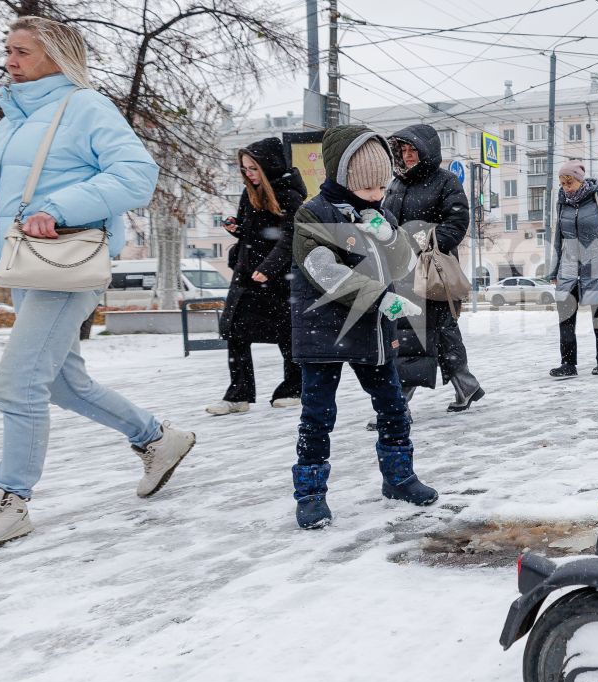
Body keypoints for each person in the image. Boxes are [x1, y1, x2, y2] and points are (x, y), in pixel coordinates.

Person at [0, 16, 194, 556]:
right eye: (7, 49)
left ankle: (8, 500)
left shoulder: (85, 107)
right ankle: (156, 437)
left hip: (65, 262)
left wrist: (58, 207)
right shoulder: (12, 120)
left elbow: (135, 175)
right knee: (60, 382)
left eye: (22, 51)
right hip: (26, 264)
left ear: (56, 56)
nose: (9, 60)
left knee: (17, 383)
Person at [290, 123, 436, 529]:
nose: (377, 196)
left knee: (393, 406)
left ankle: (399, 477)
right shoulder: (312, 213)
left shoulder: (380, 213)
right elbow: (324, 271)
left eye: (382, 188)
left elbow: (404, 263)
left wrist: (389, 236)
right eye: (368, 188)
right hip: (323, 332)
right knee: (318, 416)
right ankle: (311, 494)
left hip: (373, 335)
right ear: (343, 176)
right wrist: (380, 298)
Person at [383, 124, 484, 413]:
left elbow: (457, 223)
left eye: (413, 149)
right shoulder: (397, 183)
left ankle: (398, 403)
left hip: (431, 270)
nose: (408, 155)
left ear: (427, 150)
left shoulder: (445, 181)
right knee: (435, 331)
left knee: (418, 332)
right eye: (403, 150)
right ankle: (467, 385)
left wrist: (422, 241)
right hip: (400, 269)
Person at [207, 138, 306, 415]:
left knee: (287, 336)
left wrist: (269, 268)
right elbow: (254, 232)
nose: (248, 173)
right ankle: (238, 394)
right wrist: (237, 229)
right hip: (248, 276)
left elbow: (290, 238)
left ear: (268, 165)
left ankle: (294, 388)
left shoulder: (289, 195)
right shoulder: (249, 193)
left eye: (253, 167)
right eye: (244, 168)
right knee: (235, 332)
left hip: (278, 279)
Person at [547, 161, 598, 378]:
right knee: (565, 315)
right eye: (562, 183)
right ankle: (568, 363)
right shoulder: (562, 202)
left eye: (569, 182)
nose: (565, 187)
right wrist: (554, 269)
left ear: (579, 180)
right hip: (569, 263)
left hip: (597, 260)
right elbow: (558, 236)